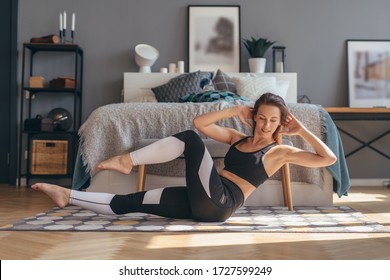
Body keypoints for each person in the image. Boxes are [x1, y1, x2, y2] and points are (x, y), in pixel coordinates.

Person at [32, 93, 336, 222]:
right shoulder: (238, 137)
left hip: (221, 203)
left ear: (280, 123)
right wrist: (233, 109)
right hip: (202, 199)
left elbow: (327, 160)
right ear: (254, 117)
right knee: (131, 202)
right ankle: (67, 195)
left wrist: (301, 131)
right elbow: (201, 124)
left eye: (273, 121)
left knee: (190, 142)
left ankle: (129, 161)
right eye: (261, 118)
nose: (266, 125)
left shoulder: (279, 151)